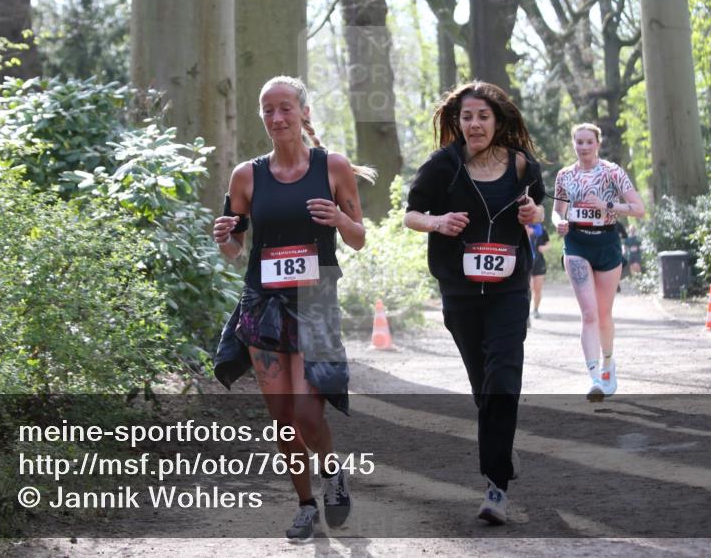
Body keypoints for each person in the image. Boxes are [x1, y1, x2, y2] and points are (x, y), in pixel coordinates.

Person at [211, 76, 373, 542]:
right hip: (263, 305)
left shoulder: (333, 167)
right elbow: (234, 249)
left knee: (307, 411)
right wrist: (225, 236)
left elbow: (358, 239)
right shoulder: (247, 175)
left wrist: (341, 219)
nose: (277, 118)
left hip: (315, 303)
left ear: (303, 112)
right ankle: (305, 505)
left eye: (285, 108)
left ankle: (332, 473)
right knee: (282, 416)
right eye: (268, 110)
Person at [403, 81, 545, 526]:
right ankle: (501, 447)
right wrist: (439, 221)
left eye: (483, 116)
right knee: (483, 385)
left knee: (502, 377)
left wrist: (533, 216)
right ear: (457, 121)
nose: (475, 124)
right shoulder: (442, 166)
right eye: (467, 117)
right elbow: (411, 214)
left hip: (509, 291)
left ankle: (495, 484)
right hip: (461, 293)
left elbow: (540, 211)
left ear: (498, 121)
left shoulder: (521, 165)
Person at [552, 123, 645, 401]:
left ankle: (608, 364)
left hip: (606, 243)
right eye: (578, 142)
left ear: (597, 144)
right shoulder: (564, 175)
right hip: (577, 243)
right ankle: (593, 377)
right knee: (589, 313)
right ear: (573, 144)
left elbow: (639, 209)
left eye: (588, 142)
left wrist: (607, 206)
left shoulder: (612, 172)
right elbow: (557, 212)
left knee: (604, 315)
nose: (583, 147)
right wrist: (560, 223)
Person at [526, 222, 550, 318]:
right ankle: (526, 313)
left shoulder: (542, 230)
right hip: (527, 262)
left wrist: (544, 248)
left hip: (539, 261)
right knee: (529, 288)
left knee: (537, 289)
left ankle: (535, 310)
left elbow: (549, 244)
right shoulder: (524, 227)